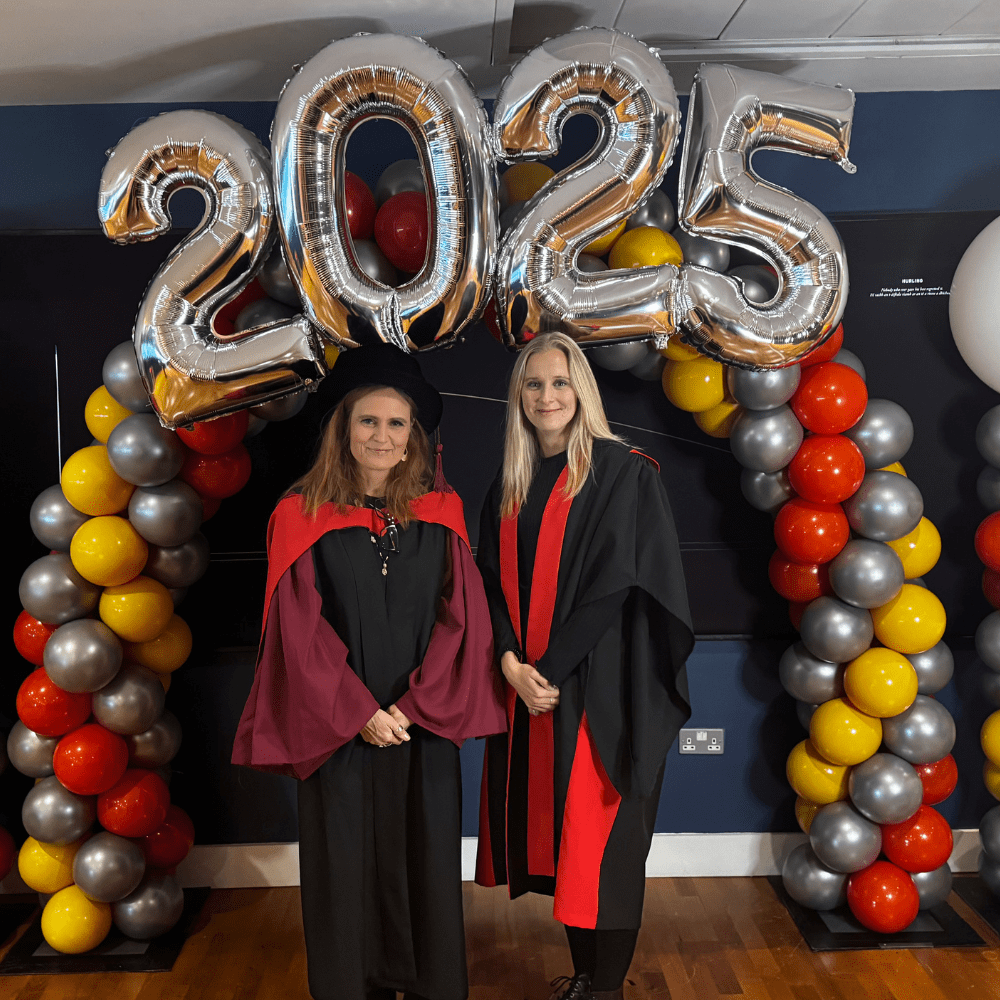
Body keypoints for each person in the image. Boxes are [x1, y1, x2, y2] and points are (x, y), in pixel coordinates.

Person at [233, 342, 506, 1000]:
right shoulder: (299, 516)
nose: (383, 436)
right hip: (339, 730)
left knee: (426, 857)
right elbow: (299, 631)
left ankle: (430, 983)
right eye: (368, 421)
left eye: (397, 423)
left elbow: (462, 620)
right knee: (343, 864)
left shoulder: (440, 514)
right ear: (342, 428)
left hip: (421, 725)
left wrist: (411, 708)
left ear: (413, 435)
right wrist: (359, 713)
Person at [475, 332, 694, 1000]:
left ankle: (606, 989)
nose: (547, 396)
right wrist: (510, 661)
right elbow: (488, 580)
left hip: (604, 691)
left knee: (607, 843)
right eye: (534, 384)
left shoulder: (621, 472)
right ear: (519, 396)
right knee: (563, 845)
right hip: (533, 687)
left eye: (561, 382)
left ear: (582, 392)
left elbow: (616, 583)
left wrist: (548, 671)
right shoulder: (509, 485)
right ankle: (584, 977)